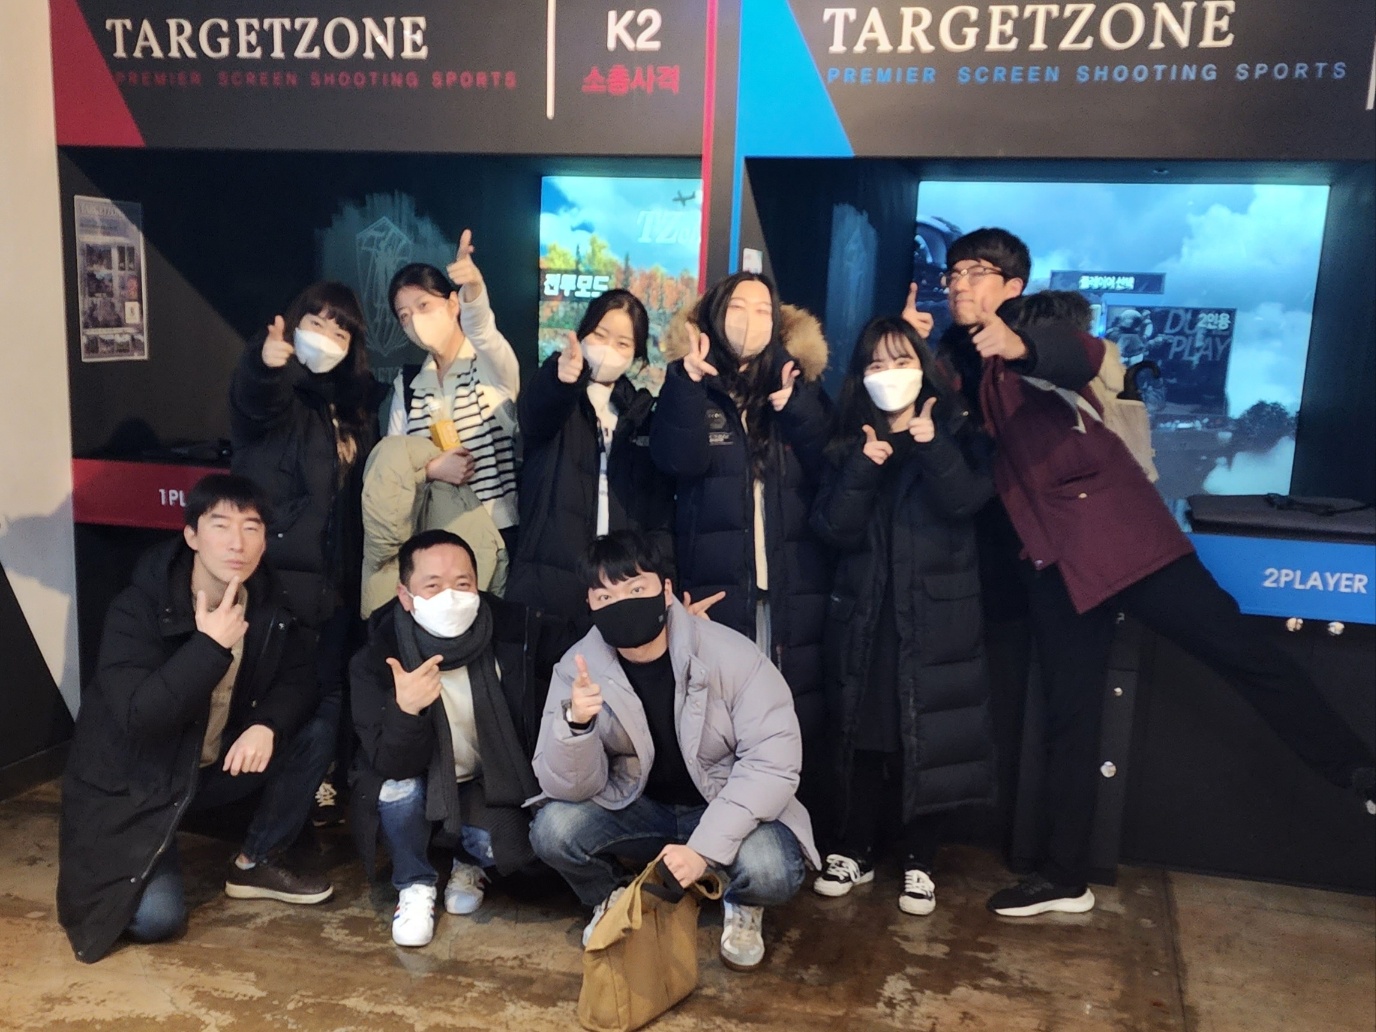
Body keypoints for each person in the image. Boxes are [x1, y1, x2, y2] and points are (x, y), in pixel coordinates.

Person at [935, 227, 1376, 918]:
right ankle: (1065, 876)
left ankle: (1357, 770)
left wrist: (1020, 346)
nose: (961, 282)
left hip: (1125, 543)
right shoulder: (972, 365)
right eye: (953, 272)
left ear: (1013, 286)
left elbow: (1077, 355)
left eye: (977, 270)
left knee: (1245, 654)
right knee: (1070, 718)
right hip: (1057, 567)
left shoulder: (1030, 334)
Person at [57, 475, 335, 964]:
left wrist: (266, 725)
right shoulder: (137, 608)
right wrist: (208, 647)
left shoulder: (268, 601)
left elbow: (299, 680)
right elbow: (141, 717)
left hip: (207, 775)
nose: (237, 542)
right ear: (191, 535)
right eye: (220, 525)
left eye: (251, 527)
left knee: (318, 726)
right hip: (139, 788)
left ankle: (255, 860)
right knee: (157, 920)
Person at [529, 531, 819, 972]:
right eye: (604, 596)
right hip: (640, 806)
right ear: (589, 604)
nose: (621, 604)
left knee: (772, 870)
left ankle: (742, 902)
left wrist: (702, 849)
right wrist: (576, 727)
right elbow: (567, 787)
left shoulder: (731, 654)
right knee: (553, 829)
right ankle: (612, 896)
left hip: (721, 802)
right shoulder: (577, 667)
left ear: (665, 590)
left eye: (636, 589)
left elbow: (772, 764)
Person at [809, 315, 997, 915]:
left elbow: (967, 501)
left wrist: (932, 444)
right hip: (866, 614)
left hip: (937, 618)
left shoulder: (957, 429)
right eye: (876, 364)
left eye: (901, 361)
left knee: (927, 735)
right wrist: (864, 465)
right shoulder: (846, 442)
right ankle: (854, 847)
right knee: (864, 732)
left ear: (923, 367)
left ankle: (921, 858)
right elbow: (832, 528)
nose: (889, 374)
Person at [349, 530, 576, 947]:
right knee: (395, 790)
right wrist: (406, 711)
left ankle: (467, 861)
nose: (450, 597)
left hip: (485, 783)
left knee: (505, 851)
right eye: (432, 586)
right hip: (416, 780)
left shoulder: (513, 630)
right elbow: (390, 762)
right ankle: (414, 883)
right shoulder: (377, 658)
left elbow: (583, 646)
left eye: (462, 583)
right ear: (405, 595)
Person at [650, 272, 833, 766]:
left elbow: (830, 468)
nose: (750, 320)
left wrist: (795, 407)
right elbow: (676, 461)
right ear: (714, 315)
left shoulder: (798, 385)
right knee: (723, 717)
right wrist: (688, 385)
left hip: (792, 583)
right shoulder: (689, 384)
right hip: (717, 585)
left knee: (790, 713)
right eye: (736, 307)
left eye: (761, 310)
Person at [230, 280, 383, 825]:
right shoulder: (283, 395)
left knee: (329, 686)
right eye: (315, 323)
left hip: (337, 577)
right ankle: (265, 810)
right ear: (294, 325)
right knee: (282, 692)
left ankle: (318, 785)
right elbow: (254, 398)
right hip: (277, 577)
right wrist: (265, 364)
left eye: (339, 331)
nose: (325, 337)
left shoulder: (352, 405)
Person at [507, 289, 675, 621]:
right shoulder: (558, 393)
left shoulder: (641, 416)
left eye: (623, 343)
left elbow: (658, 513)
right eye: (600, 335)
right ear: (583, 334)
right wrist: (561, 381)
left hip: (620, 587)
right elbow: (534, 416)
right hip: (551, 585)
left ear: (636, 355)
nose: (608, 349)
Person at [386, 231, 520, 550]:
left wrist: (473, 289)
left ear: (452, 304)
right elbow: (393, 465)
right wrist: (431, 470)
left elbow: (483, 332)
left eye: (423, 305)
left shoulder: (489, 366)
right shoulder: (408, 386)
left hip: (492, 536)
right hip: (430, 538)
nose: (415, 321)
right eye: (404, 316)